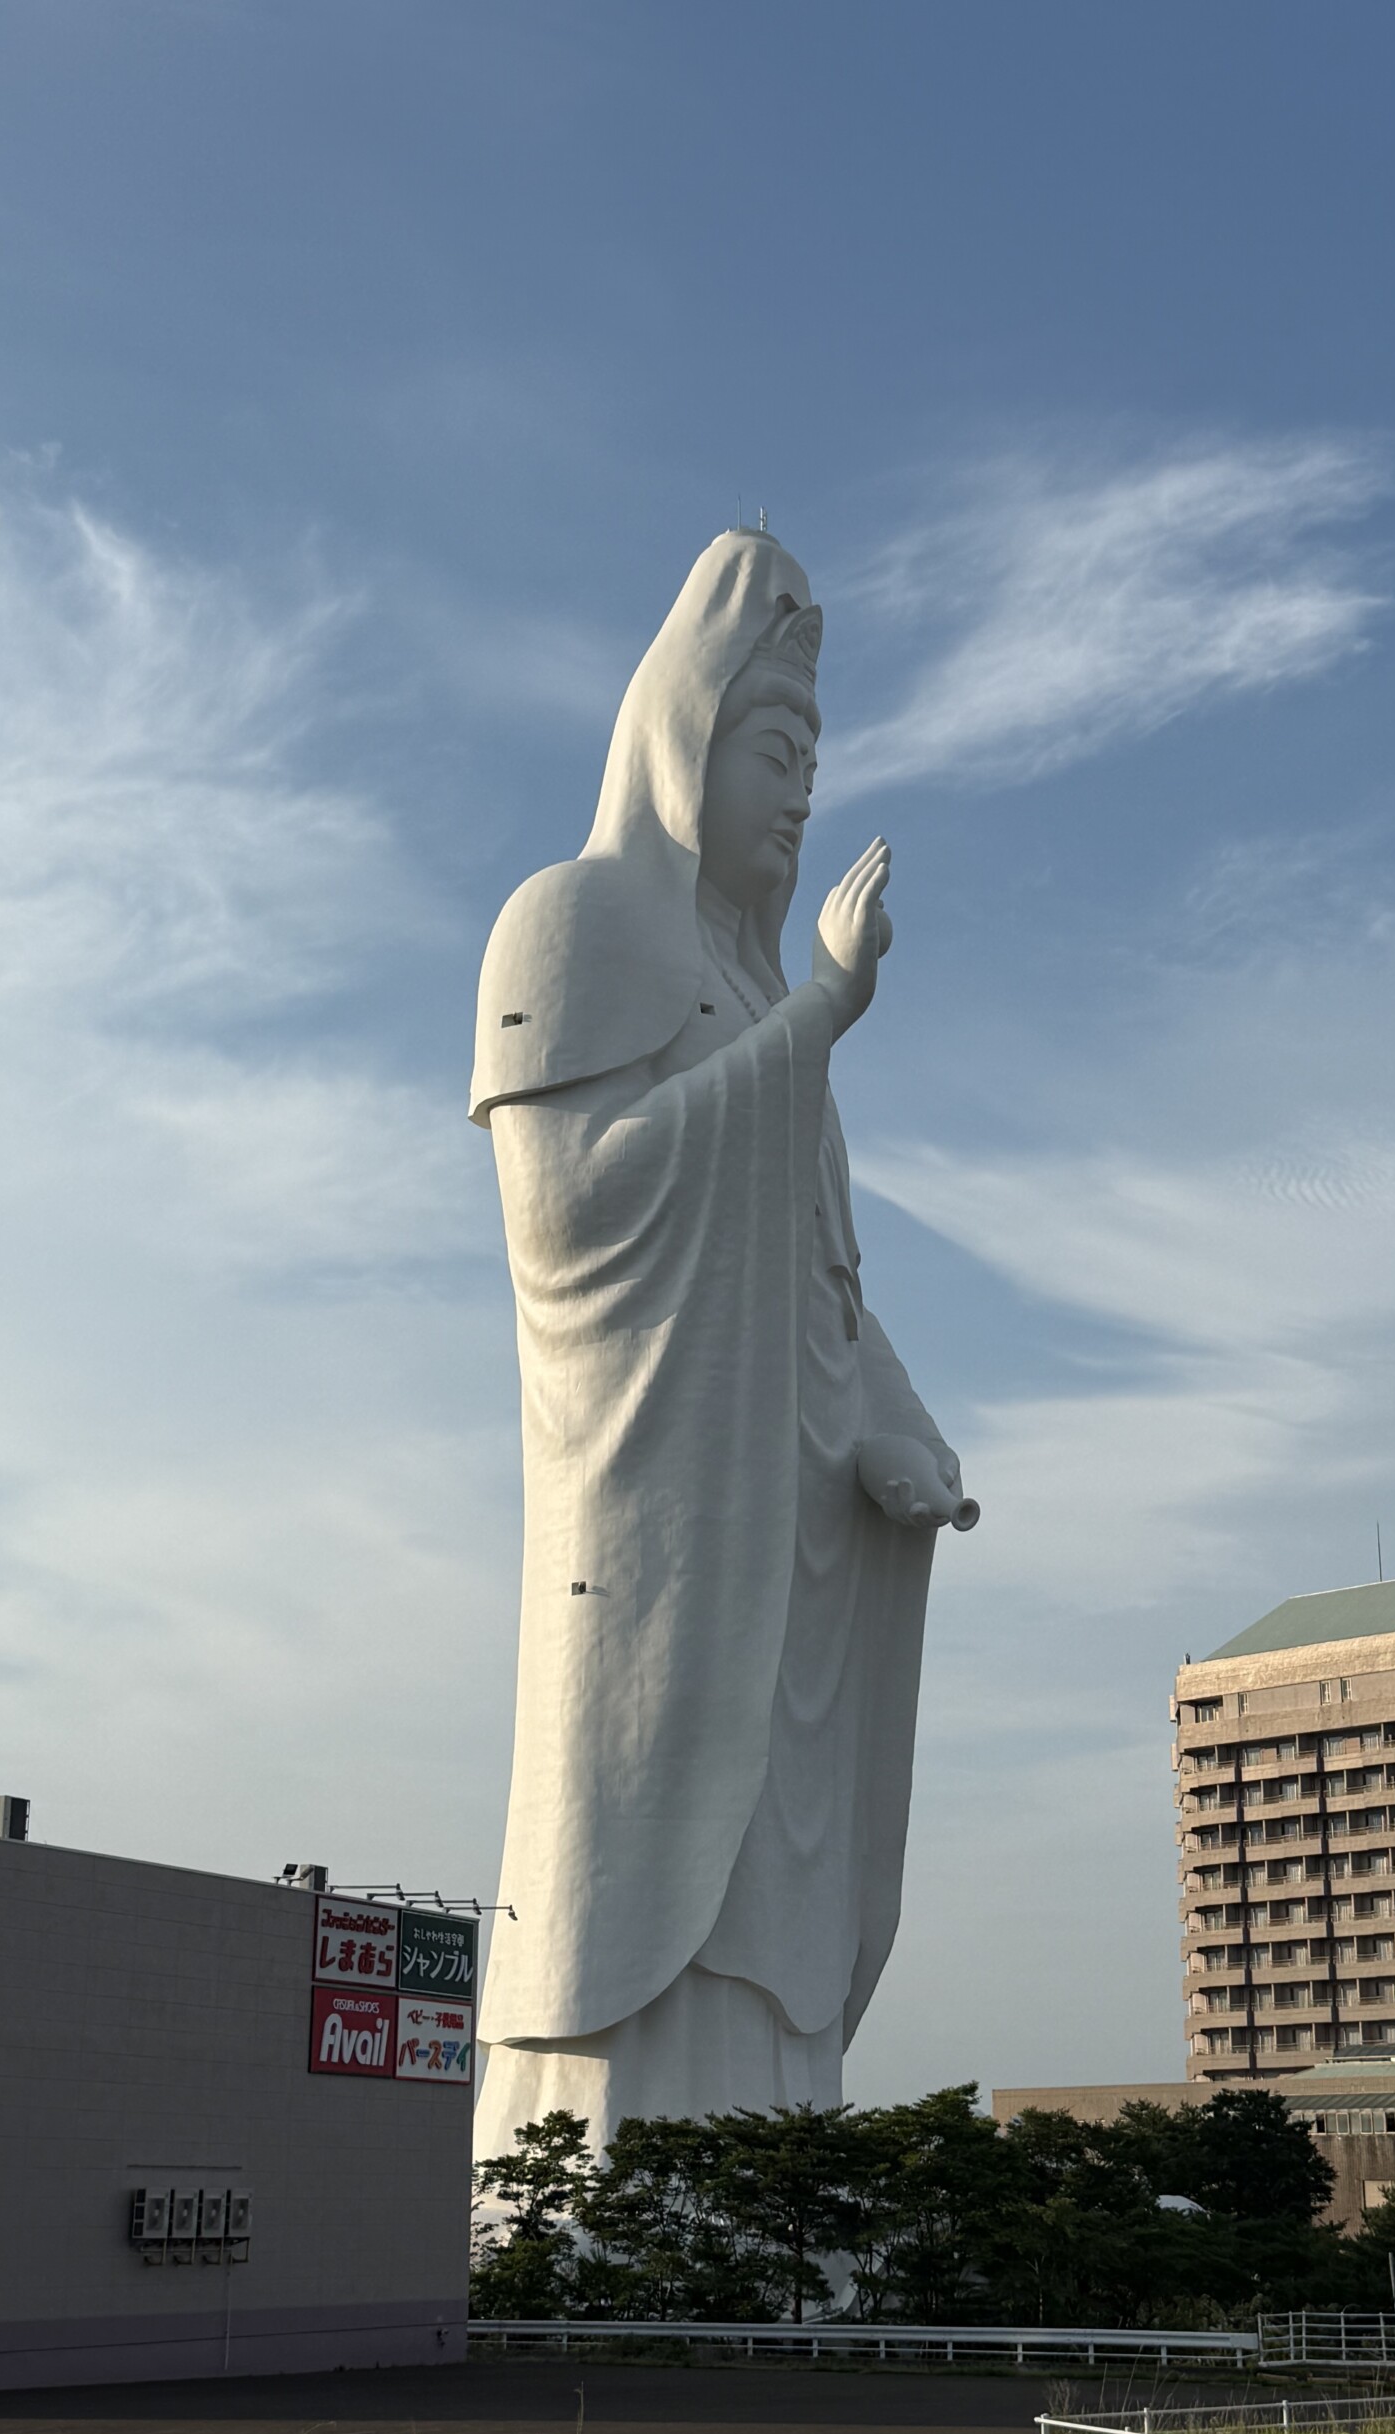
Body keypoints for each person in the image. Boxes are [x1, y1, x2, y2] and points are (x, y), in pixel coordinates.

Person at [469, 527, 972, 2158]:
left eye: (814, 762)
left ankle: (777, 2191)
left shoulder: (766, 1007)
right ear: (684, 745)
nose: (800, 795)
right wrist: (821, 1017)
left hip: (793, 1553)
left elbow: (826, 1293)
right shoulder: (571, 922)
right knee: (640, 1857)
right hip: (655, 1540)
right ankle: (597, 2190)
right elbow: (570, 1211)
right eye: (773, 749)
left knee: (774, 1889)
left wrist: (898, 1437)